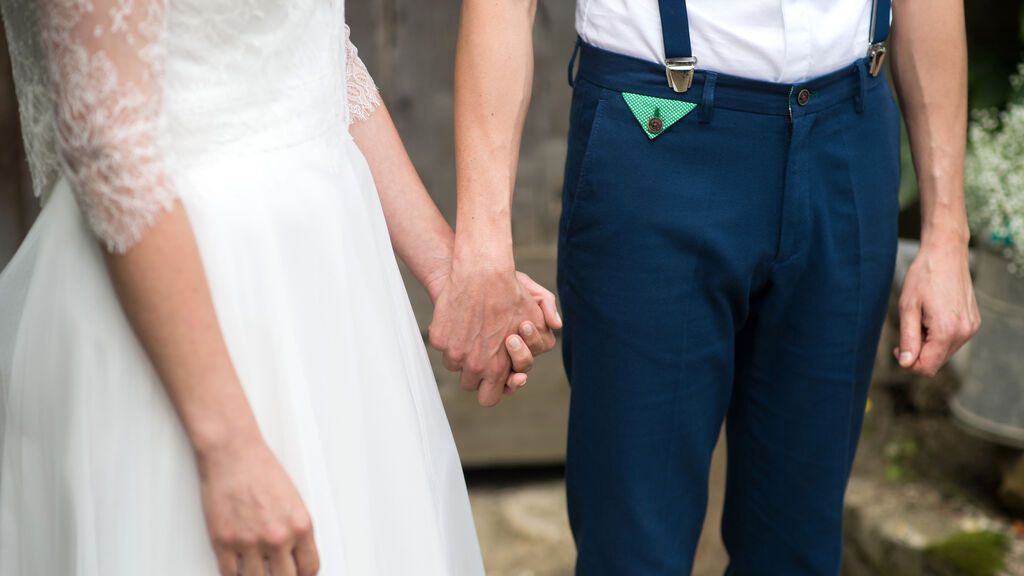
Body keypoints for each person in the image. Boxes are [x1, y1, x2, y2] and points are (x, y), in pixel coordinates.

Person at [0, 1, 559, 574]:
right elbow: (111, 147)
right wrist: (229, 450)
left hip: (330, 291)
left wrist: (447, 269)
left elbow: (310, 54)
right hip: (188, 304)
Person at [447, 0, 980, 572]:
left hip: (849, 133)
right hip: (656, 127)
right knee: (635, 549)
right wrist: (482, 252)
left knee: (797, 549)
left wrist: (946, 230)